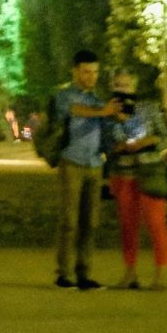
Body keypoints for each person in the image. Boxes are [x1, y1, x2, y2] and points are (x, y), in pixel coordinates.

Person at [52, 47, 118, 290]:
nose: (91, 77)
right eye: (87, 72)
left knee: (90, 222)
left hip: (94, 163)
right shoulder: (65, 95)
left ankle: (84, 273)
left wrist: (116, 117)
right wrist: (103, 112)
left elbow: (106, 124)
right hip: (72, 162)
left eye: (95, 72)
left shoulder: (96, 99)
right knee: (69, 221)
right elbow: (73, 111)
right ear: (75, 72)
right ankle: (63, 273)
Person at [106, 71, 167, 290]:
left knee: (155, 222)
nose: (122, 88)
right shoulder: (108, 113)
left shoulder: (149, 108)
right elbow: (106, 145)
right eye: (118, 84)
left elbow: (166, 138)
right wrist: (119, 144)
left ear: (134, 86)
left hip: (149, 170)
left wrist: (146, 141)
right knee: (128, 225)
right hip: (123, 173)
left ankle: (160, 274)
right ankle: (130, 273)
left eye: (126, 84)